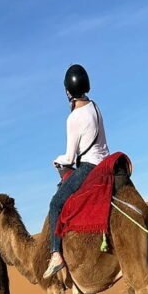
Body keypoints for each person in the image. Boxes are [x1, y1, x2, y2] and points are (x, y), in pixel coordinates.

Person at [43, 64, 109, 279]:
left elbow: (70, 158)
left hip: (89, 167)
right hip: (106, 163)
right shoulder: (95, 106)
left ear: (68, 91)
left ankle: (55, 254)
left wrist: (57, 161)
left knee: (55, 203)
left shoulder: (74, 117)